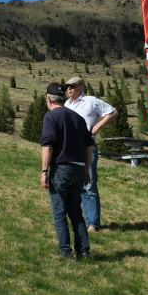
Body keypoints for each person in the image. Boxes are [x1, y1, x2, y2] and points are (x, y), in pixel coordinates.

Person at [41, 82, 94, 260]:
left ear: (48, 99)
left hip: (61, 169)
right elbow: (89, 146)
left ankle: (65, 251)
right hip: (79, 169)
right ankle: (83, 251)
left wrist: (43, 171)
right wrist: (86, 168)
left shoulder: (51, 117)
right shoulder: (78, 118)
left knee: (59, 212)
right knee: (76, 212)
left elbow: (48, 146)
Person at [64, 76, 118, 232]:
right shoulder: (67, 104)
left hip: (86, 146)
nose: (69, 89)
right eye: (67, 86)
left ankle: (93, 223)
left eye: (72, 86)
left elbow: (113, 112)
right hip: (70, 148)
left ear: (81, 87)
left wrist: (97, 126)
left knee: (89, 185)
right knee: (75, 184)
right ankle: (82, 220)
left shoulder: (90, 101)